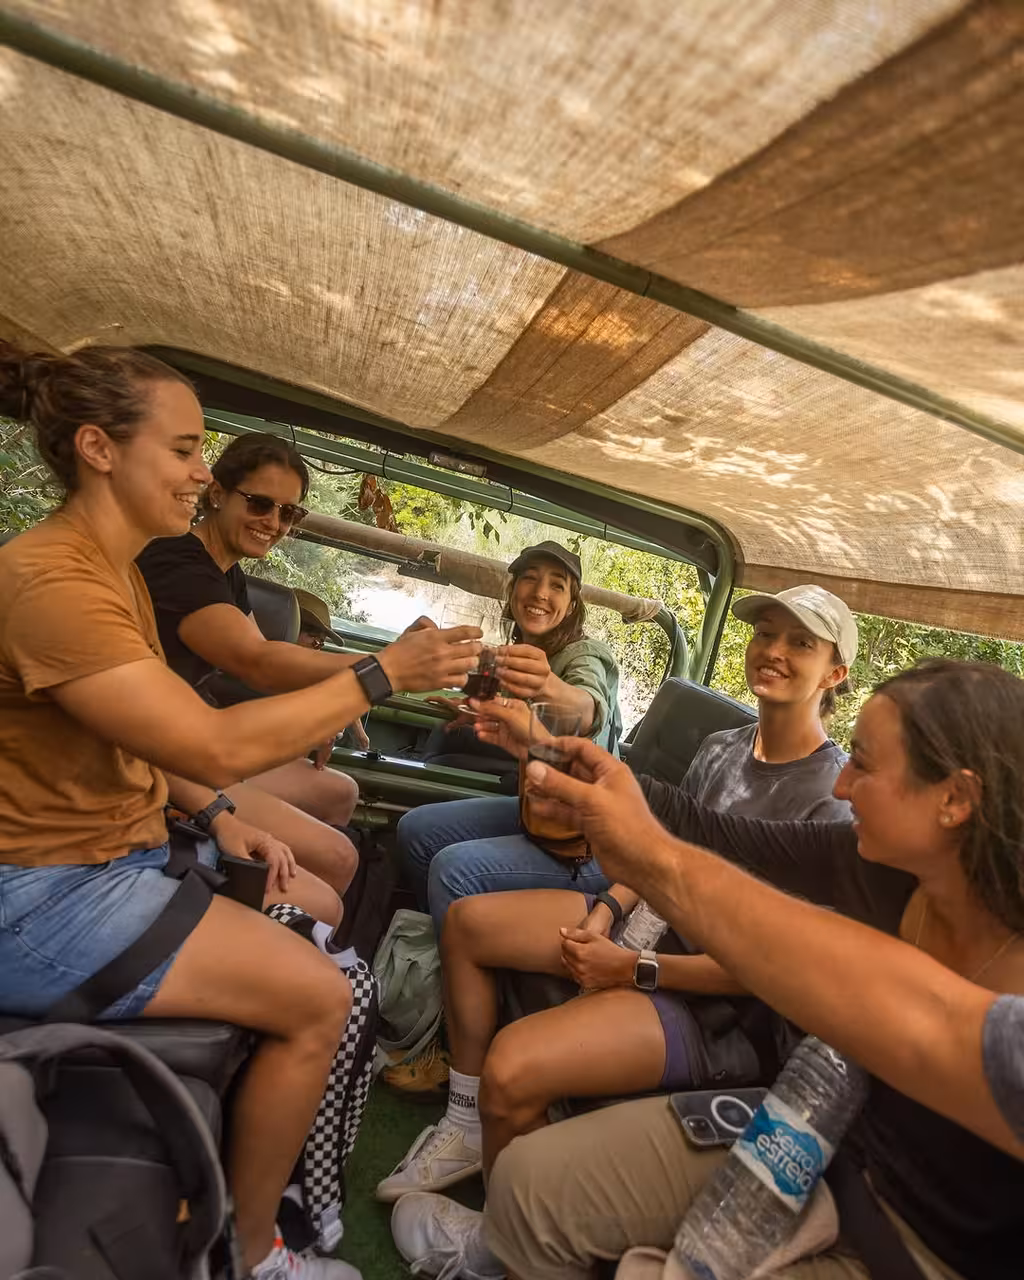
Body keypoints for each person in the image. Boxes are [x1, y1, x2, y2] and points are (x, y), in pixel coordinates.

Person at [0, 341, 480, 1280]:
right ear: (99, 448)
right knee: (322, 993)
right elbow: (206, 737)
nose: (197, 475)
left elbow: (141, 741)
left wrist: (219, 814)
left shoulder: (118, 569)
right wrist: (381, 675)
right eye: (184, 452)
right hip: (42, 896)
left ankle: (250, 1199)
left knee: (327, 939)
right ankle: (252, 1252)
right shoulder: (48, 581)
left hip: (116, 858)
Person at [392, 660, 1024, 1280]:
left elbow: (898, 1010)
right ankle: (495, 1242)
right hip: (812, 1125)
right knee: (529, 1185)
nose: (842, 785)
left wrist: (645, 922)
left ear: (955, 799)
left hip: (911, 1239)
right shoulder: (877, 868)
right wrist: (569, 757)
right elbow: (714, 831)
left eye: (866, 763)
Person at [378, 586, 856, 1167]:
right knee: (468, 922)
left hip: (708, 994)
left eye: (800, 642)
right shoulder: (722, 748)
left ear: (834, 674)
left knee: (516, 1058)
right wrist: (606, 912)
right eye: (766, 634)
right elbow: (659, 852)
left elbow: (774, 970)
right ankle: (464, 1122)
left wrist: (636, 968)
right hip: (649, 922)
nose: (774, 650)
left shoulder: (831, 801)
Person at [137, 432, 368, 897]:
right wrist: (381, 668)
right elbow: (256, 660)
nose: (274, 522)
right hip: (157, 753)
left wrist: (321, 715)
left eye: (289, 512)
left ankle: (278, 906)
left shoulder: (228, 573)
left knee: (340, 792)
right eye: (261, 503)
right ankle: (285, 920)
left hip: (191, 737)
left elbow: (261, 660)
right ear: (217, 494)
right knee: (339, 857)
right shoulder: (176, 559)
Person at [396, 540, 629, 935]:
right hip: (536, 811)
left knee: (451, 869)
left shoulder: (584, 655)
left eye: (557, 585)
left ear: (572, 605)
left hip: (588, 840)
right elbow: (528, 729)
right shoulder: (524, 650)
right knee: (415, 831)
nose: (540, 593)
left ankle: (459, 959)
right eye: (530, 580)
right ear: (512, 590)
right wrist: (474, 714)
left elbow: (586, 707)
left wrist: (549, 686)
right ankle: (440, 945)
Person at [293, 588, 370, 751]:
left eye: (321, 643)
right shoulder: (274, 669)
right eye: (315, 641)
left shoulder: (304, 668)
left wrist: (360, 734)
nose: (317, 649)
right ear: (292, 628)